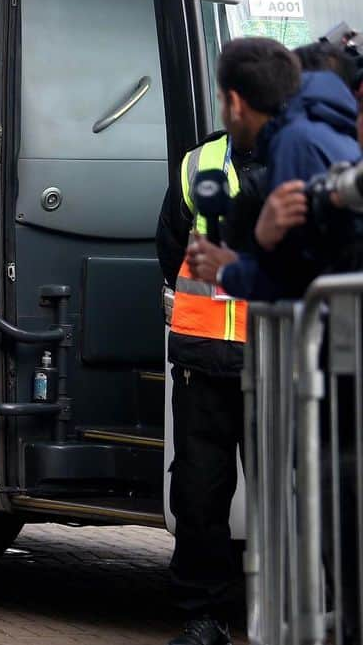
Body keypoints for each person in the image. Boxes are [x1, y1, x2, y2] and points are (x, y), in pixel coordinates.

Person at [157, 121, 263, 645]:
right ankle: (205, 618)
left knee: (293, 499)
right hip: (204, 361)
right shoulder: (198, 163)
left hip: (278, 366)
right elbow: (168, 251)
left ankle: (303, 614)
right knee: (199, 497)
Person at [186, 39, 361, 298]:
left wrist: (227, 270)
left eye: (221, 100)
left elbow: (298, 277)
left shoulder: (294, 141)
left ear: (235, 104)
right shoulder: (321, 130)